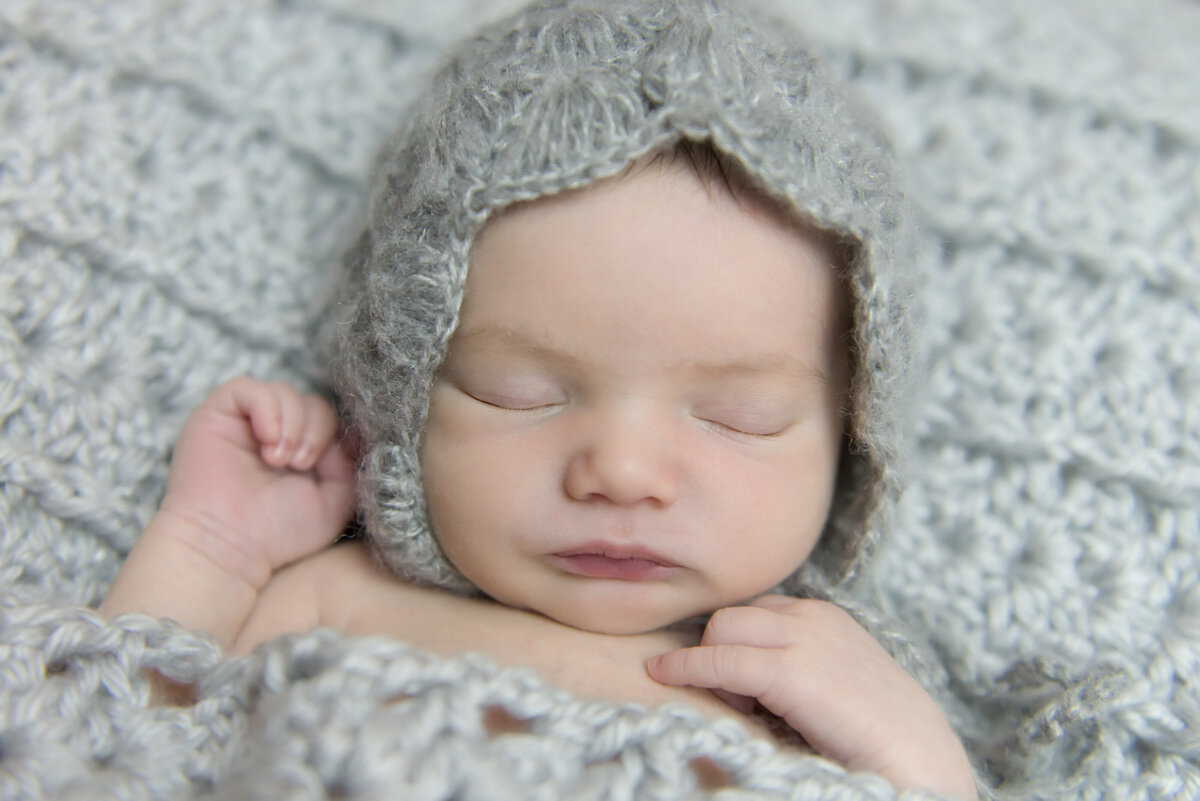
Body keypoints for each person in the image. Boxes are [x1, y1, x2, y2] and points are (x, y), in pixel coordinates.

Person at [101, 1, 977, 798]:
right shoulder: (337, 599)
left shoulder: (822, 682)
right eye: (514, 394)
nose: (623, 472)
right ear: (401, 395)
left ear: (853, 443)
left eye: (738, 414)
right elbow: (115, 741)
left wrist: (917, 759)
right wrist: (211, 549)